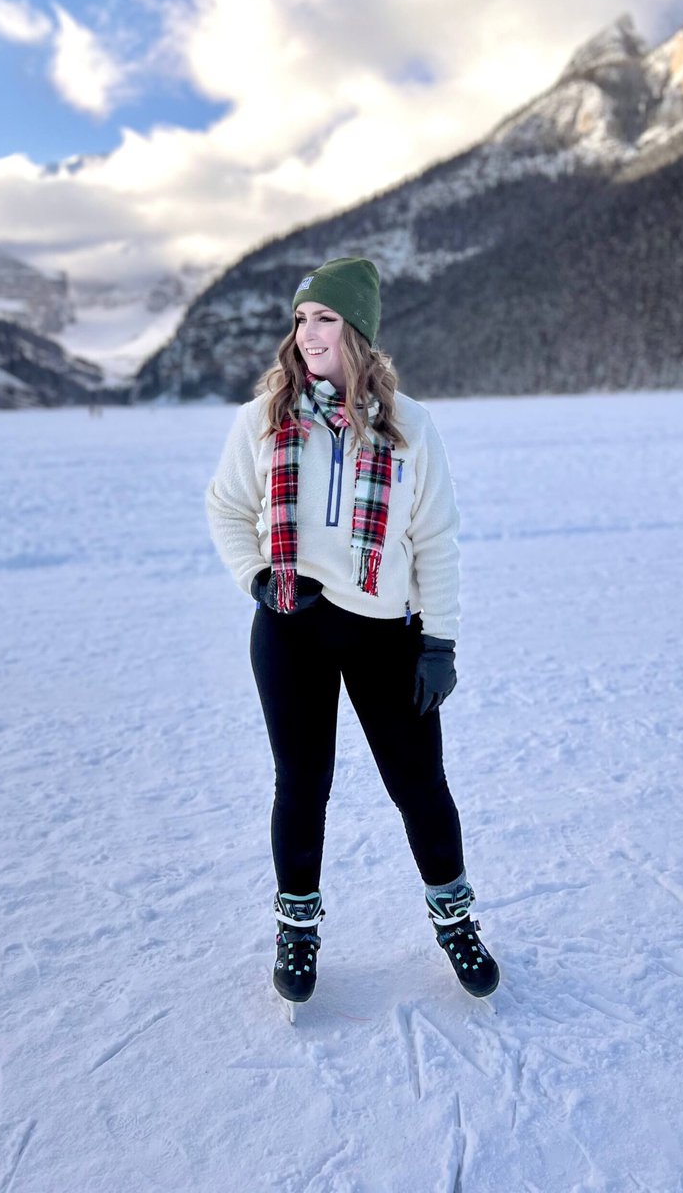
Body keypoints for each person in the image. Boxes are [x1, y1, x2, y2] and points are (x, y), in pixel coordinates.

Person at [205, 256, 499, 1011]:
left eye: (325, 319)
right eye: (301, 319)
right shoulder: (261, 420)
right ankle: (296, 929)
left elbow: (436, 541)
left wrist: (440, 641)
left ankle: (456, 920)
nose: (308, 333)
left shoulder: (410, 430)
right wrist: (257, 578)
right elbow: (226, 509)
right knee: (301, 787)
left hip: (384, 635)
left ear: (358, 331)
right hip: (289, 629)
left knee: (420, 787)